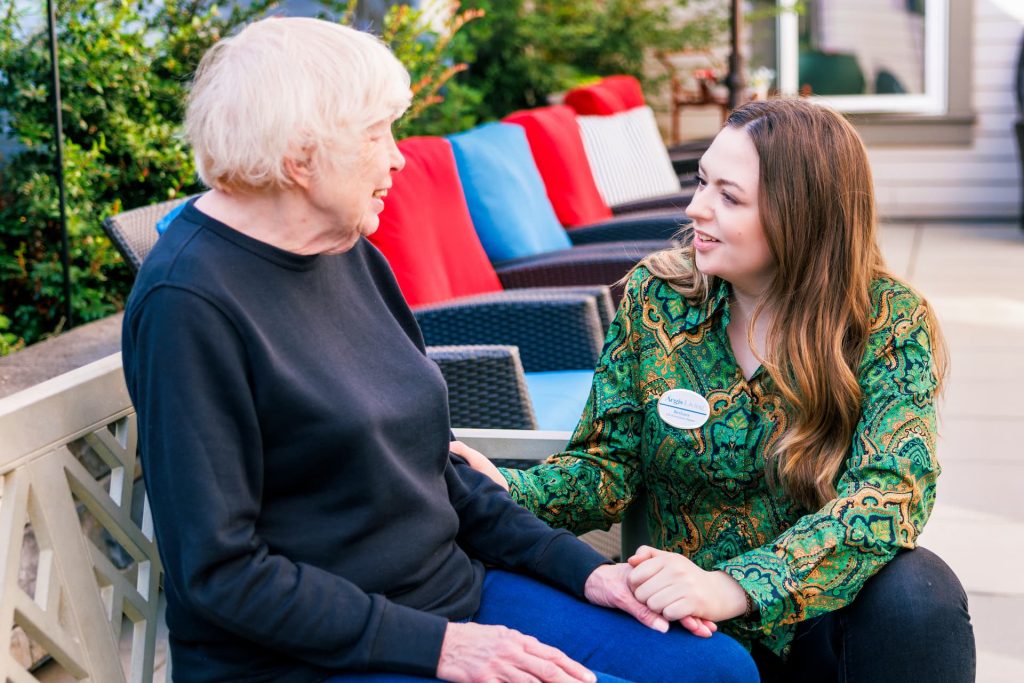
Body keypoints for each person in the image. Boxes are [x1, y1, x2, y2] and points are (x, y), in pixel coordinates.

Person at [120, 17, 759, 683]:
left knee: (715, 670)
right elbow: (221, 574)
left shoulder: (349, 252)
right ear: (300, 158)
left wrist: (587, 570)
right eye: (377, 134)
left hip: (452, 593)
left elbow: (439, 471)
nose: (398, 157)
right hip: (308, 656)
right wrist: (441, 646)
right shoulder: (189, 303)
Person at [457, 98, 976, 682]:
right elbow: (608, 465)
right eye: (702, 182)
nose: (696, 208)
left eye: (729, 197)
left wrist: (738, 586)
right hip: (688, 623)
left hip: (824, 620)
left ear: (800, 214)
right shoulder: (659, 300)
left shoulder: (886, 319)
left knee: (919, 592)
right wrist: (508, 490)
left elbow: (890, 496)